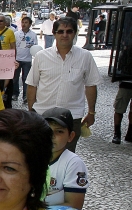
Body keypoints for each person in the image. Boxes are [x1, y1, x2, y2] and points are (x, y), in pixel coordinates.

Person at [27, 17, 101, 152]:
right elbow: (32, 85)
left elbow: (91, 85)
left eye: (69, 31)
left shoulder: (85, 57)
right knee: (40, 154)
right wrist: (31, 111)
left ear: (75, 33)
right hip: (43, 114)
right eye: (60, 31)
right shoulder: (41, 56)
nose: (65, 35)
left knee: (68, 155)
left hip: (72, 117)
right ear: (54, 33)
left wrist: (91, 112)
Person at [12, 16, 35, 103]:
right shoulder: (16, 34)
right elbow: (13, 46)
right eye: (23, 22)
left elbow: (35, 47)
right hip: (17, 59)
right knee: (15, 78)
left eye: (26, 22)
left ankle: (25, 95)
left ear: (30, 24)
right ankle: (15, 94)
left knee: (26, 78)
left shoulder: (33, 35)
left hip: (27, 60)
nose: (24, 24)